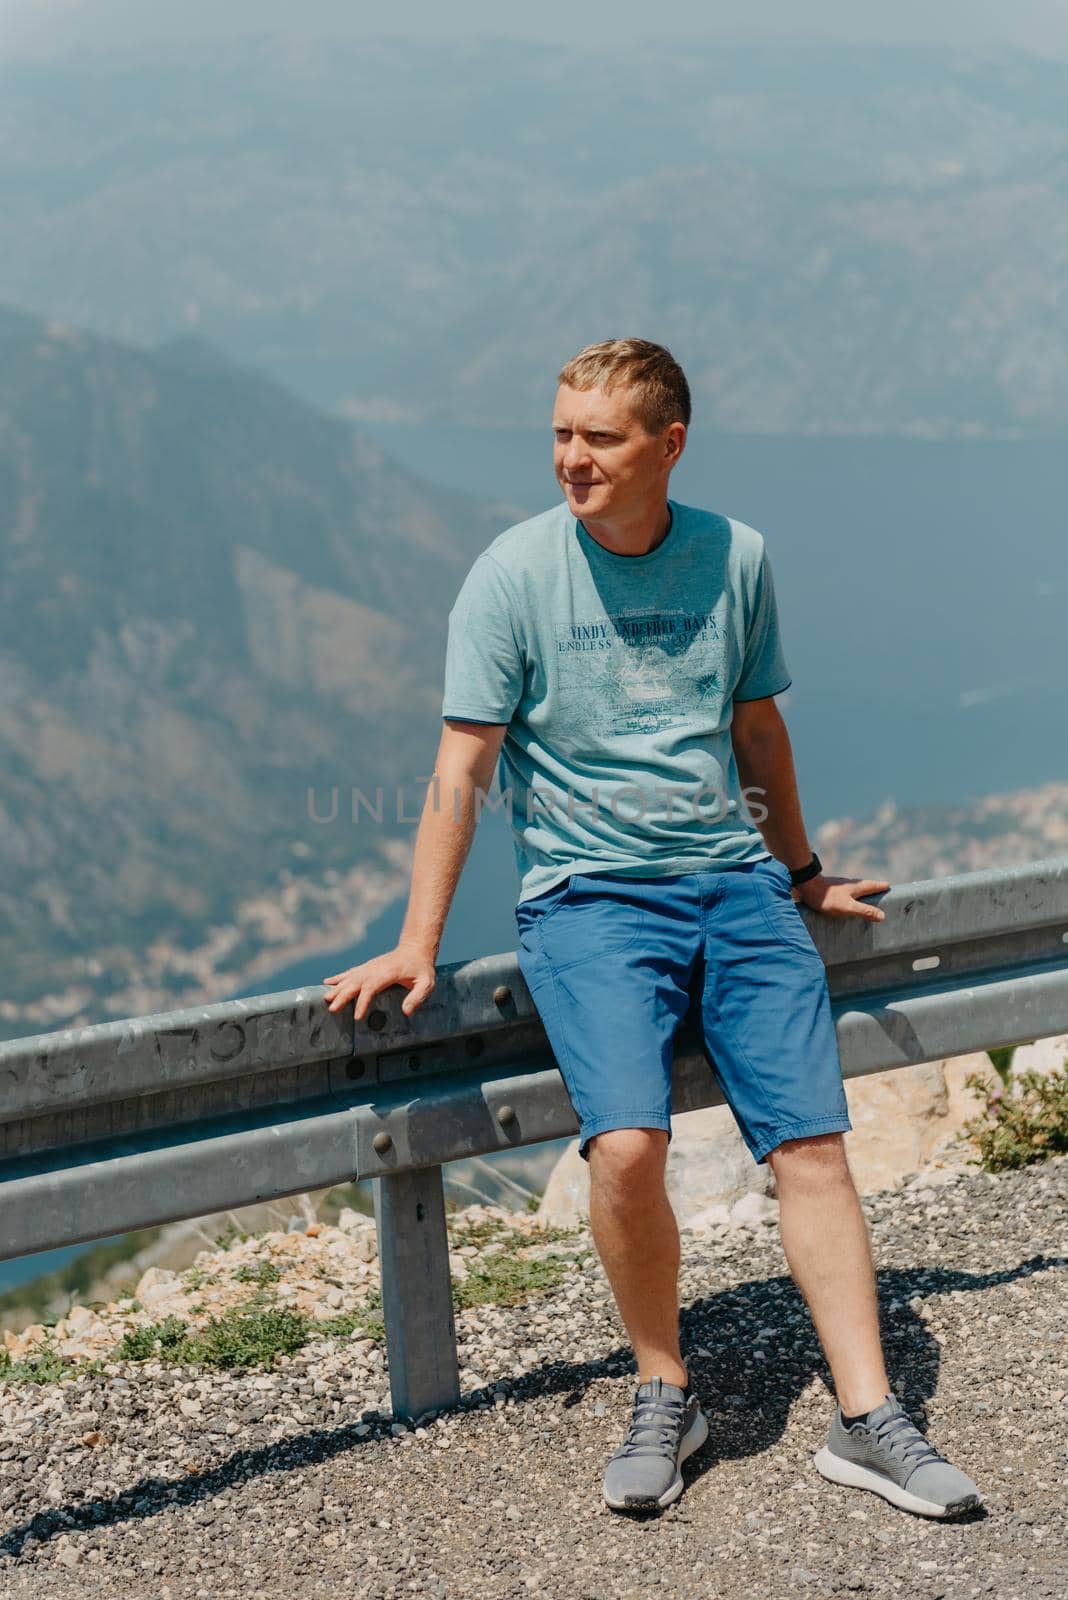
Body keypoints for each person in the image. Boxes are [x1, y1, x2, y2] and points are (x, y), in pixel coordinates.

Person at [322, 338, 981, 1521]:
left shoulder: (738, 557)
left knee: (813, 1147)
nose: (571, 457)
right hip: (588, 901)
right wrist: (418, 939)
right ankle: (667, 1391)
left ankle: (869, 1418)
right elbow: (460, 768)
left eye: (601, 437)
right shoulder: (513, 576)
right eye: (561, 432)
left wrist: (803, 870)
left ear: (668, 446)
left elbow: (757, 729)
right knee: (624, 1148)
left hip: (733, 884)